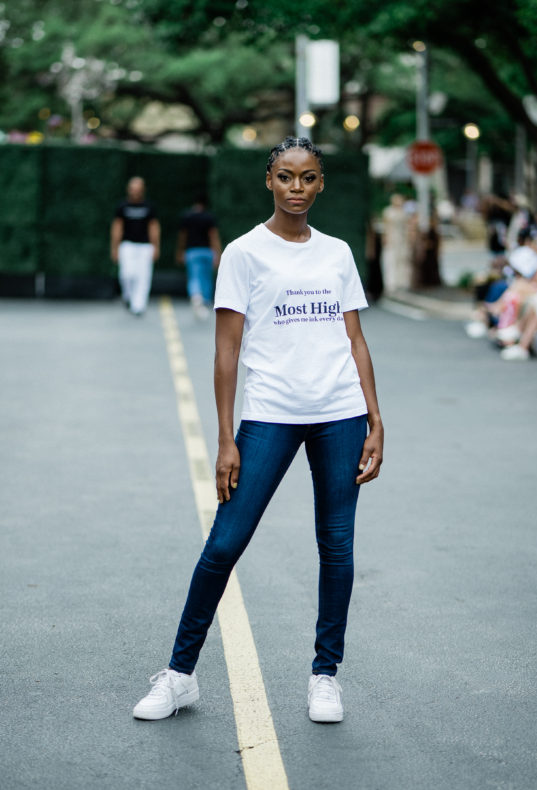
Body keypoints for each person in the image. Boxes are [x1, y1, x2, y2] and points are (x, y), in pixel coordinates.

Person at [133, 137, 384, 724]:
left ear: (321, 184)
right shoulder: (244, 253)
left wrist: (374, 418)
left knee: (337, 546)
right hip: (269, 414)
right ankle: (179, 676)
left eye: (309, 178)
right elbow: (227, 352)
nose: (297, 187)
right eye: (286, 177)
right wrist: (226, 437)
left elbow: (355, 340)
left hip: (339, 413)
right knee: (224, 542)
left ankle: (326, 675)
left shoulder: (338, 253)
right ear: (268, 180)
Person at [110, 177, 160, 316]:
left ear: (142, 190)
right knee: (127, 274)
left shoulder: (149, 207)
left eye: (138, 189)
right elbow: (117, 227)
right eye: (133, 189)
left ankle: (138, 306)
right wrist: (114, 247)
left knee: (143, 277)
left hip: (145, 246)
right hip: (127, 245)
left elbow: (154, 227)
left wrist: (156, 246)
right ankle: (128, 296)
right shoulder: (122, 206)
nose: (135, 192)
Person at [176, 195, 222, 319]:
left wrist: (180, 251)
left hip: (192, 251)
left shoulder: (187, 216)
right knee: (206, 277)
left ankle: (196, 296)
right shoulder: (209, 217)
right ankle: (206, 301)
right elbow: (213, 236)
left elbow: (183, 236)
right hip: (207, 251)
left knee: (194, 276)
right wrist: (217, 253)